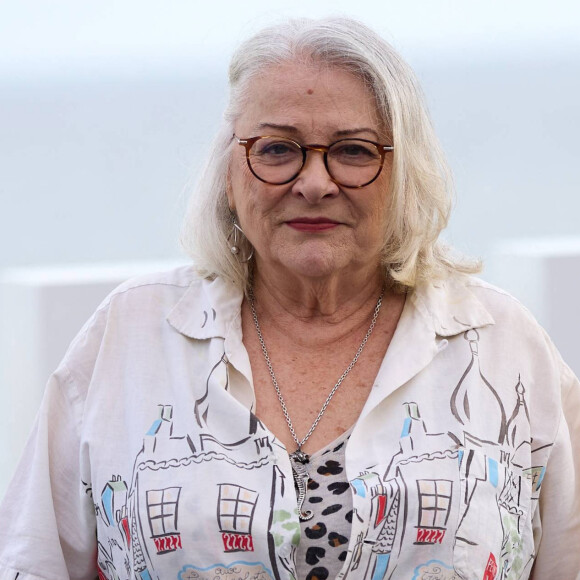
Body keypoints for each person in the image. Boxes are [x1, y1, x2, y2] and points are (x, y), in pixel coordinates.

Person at [0, 16, 578, 580]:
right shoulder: (130, 334)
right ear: (231, 170)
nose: (315, 182)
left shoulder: (500, 342)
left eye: (354, 151)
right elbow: (32, 558)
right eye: (278, 149)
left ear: (406, 171)